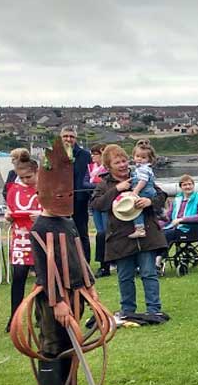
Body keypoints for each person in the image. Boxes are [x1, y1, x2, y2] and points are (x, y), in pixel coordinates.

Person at [20, 135, 104, 385]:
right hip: (53, 298)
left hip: (75, 292)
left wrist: (89, 287)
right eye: (59, 194)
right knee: (53, 341)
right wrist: (58, 301)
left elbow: (79, 256)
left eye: (67, 193)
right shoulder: (41, 227)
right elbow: (46, 268)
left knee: (72, 339)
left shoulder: (67, 224)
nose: (64, 199)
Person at [90, 143, 168, 325]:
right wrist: (117, 189)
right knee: (125, 276)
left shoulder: (140, 175)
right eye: (118, 162)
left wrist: (150, 201)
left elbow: (161, 195)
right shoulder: (104, 184)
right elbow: (97, 205)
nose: (123, 165)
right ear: (109, 166)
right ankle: (128, 310)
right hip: (120, 237)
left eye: (125, 160)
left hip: (146, 236)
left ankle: (154, 310)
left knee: (149, 273)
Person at [5, 151, 41, 330]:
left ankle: (41, 316)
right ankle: (14, 317)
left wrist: (41, 216)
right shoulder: (15, 189)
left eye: (29, 176)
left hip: (41, 237)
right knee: (19, 276)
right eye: (22, 177)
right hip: (20, 237)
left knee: (43, 278)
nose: (25, 180)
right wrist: (9, 216)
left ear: (36, 172)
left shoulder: (47, 187)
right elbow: (11, 207)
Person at [62, 126, 95, 262]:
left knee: (82, 234)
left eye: (71, 136)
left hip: (80, 200)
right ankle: (66, 263)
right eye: (65, 136)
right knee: (62, 234)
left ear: (75, 138)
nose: (68, 139)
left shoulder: (85, 155)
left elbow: (92, 176)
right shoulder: (54, 155)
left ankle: (85, 264)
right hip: (60, 201)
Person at [161, 174, 198, 247]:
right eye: (184, 185)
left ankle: (158, 257)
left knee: (166, 235)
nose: (188, 187)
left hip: (191, 229)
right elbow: (168, 216)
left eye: (190, 184)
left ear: (193, 185)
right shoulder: (177, 199)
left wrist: (181, 220)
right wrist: (157, 225)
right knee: (156, 234)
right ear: (181, 187)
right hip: (175, 228)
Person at [125, 143, 159, 239]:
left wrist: (135, 191)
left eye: (143, 157)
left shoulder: (142, 169)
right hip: (151, 191)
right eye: (137, 156)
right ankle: (161, 213)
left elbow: (143, 181)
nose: (139, 159)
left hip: (144, 191)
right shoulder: (144, 168)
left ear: (149, 159)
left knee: (136, 209)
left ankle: (140, 229)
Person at [88, 143, 111, 276]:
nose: (92, 156)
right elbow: (85, 182)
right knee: (100, 233)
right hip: (95, 203)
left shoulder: (107, 168)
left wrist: (95, 184)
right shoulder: (90, 168)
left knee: (106, 233)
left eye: (95, 154)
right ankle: (103, 264)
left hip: (106, 204)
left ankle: (108, 263)